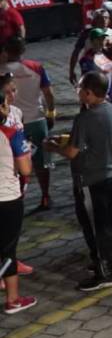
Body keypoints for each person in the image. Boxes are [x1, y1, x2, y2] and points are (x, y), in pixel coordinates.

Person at [48, 72, 112, 291]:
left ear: (89, 93)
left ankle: (105, 273)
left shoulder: (85, 118)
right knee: (109, 223)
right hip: (109, 174)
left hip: (89, 179)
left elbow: (72, 152)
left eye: (79, 88)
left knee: (94, 227)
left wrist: (52, 147)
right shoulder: (110, 110)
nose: (77, 92)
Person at [2, 36, 55, 210]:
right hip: (37, 119)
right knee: (43, 161)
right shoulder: (36, 67)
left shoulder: (2, 71)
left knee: (16, 162)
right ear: (23, 50)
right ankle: (46, 195)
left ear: (5, 51)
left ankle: (17, 196)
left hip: (11, 123)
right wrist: (51, 112)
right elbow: (49, 94)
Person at [0, 71, 35, 313]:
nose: (13, 95)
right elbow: (25, 167)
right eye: (8, 91)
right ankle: (13, 300)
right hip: (7, 194)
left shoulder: (16, 115)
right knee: (8, 249)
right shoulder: (12, 130)